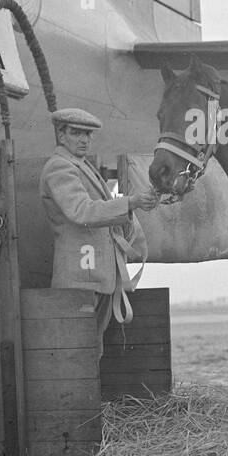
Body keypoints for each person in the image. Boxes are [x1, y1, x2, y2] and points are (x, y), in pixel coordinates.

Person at [39, 108, 155, 335]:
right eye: (77, 133)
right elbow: (82, 211)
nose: (84, 139)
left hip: (94, 277)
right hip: (81, 279)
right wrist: (130, 202)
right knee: (80, 349)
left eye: (88, 134)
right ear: (61, 136)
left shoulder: (79, 164)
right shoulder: (60, 166)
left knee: (90, 348)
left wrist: (132, 205)